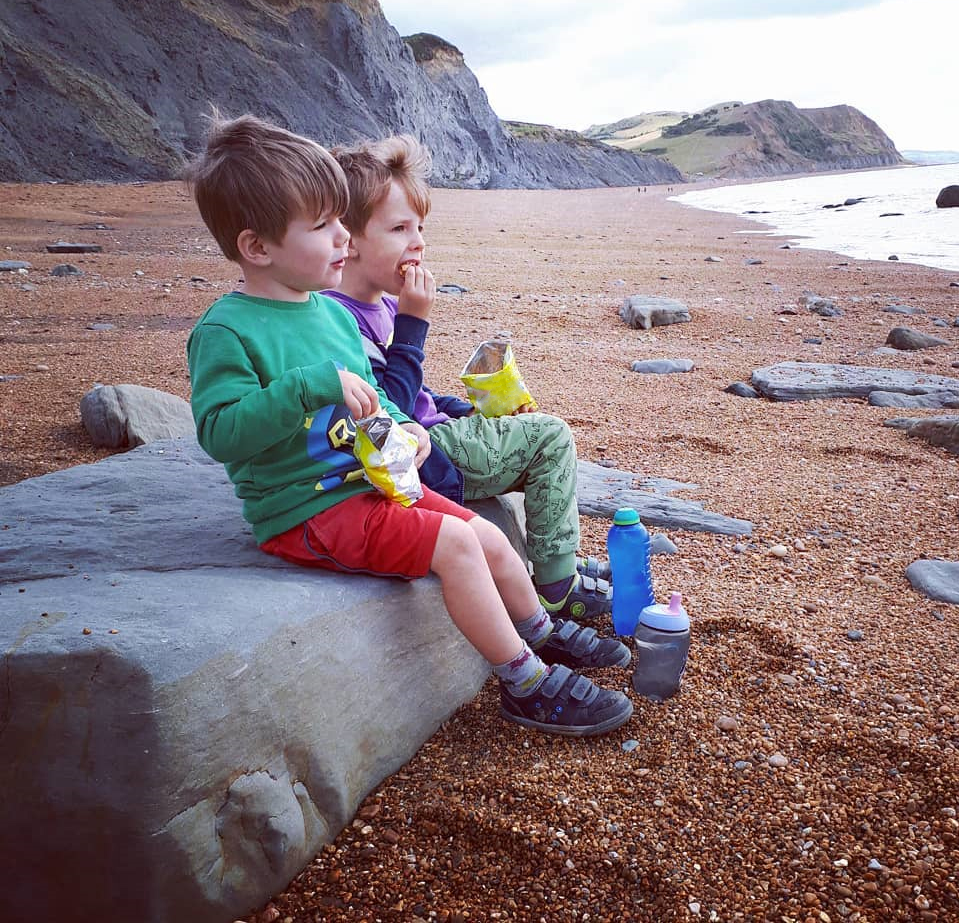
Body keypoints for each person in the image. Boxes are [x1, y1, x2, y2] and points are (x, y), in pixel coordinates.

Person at [184, 113, 632, 737]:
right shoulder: (227, 331)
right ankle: (526, 686)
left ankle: (541, 634)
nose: (343, 237)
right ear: (257, 247)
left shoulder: (330, 315)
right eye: (323, 225)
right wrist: (306, 387)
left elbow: (379, 401)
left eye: (343, 220)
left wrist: (408, 427)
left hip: (372, 482)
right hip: (308, 509)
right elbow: (221, 433)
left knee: (490, 537)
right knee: (456, 547)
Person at [323, 135, 613, 624]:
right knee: (552, 437)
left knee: (531, 430)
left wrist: (462, 409)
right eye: (398, 228)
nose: (417, 242)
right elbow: (382, 412)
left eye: (420, 228)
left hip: (435, 435)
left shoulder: (382, 304)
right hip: (421, 455)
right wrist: (414, 324)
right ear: (347, 242)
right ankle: (557, 589)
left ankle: (551, 562)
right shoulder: (337, 318)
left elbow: (413, 391)